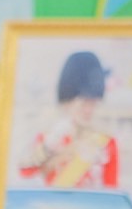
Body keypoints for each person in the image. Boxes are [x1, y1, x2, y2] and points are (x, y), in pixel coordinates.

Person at [18, 50, 120, 189]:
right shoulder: (49, 138)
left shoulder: (106, 143)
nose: (89, 110)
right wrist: (48, 147)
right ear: (68, 102)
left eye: (93, 103)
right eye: (83, 103)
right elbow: (25, 173)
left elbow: (111, 191)